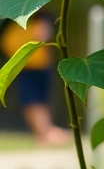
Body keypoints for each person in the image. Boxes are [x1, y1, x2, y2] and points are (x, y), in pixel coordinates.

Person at [0, 12, 72, 146]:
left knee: (39, 101)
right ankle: (43, 133)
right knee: (33, 101)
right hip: (28, 67)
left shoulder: (32, 21)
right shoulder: (21, 24)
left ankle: (45, 132)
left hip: (38, 66)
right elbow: (39, 36)